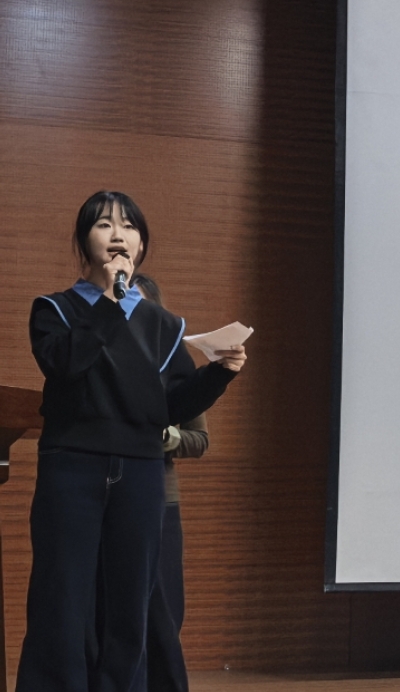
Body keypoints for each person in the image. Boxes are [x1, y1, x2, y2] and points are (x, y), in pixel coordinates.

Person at [18, 191, 246, 692]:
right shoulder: (54, 310)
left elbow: (174, 406)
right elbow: (65, 365)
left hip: (140, 471)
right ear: (84, 241)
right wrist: (110, 303)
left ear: (141, 244)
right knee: (62, 598)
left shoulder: (164, 325)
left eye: (129, 226)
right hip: (71, 467)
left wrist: (219, 374)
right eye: (104, 224)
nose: (118, 234)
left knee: (131, 604)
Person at [132, 273, 208, 692]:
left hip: (161, 499)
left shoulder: (176, 363)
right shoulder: (98, 352)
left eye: (140, 303)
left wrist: (167, 437)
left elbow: (200, 439)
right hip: (107, 495)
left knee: (163, 607)